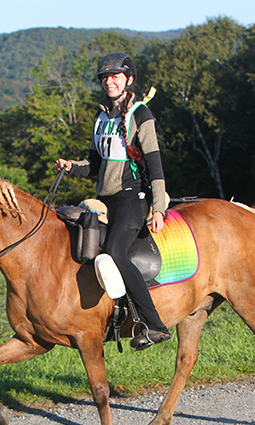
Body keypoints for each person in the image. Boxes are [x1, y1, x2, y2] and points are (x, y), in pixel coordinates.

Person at [55, 52, 170, 350]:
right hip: (105, 201)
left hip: (133, 199)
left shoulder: (140, 115)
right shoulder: (101, 117)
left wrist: (159, 207)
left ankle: (155, 325)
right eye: (105, 78)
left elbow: (155, 165)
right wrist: (72, 166)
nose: (109, 82)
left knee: (117, 252)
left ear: (129, 80)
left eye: (115, 76)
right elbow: (95, 165)